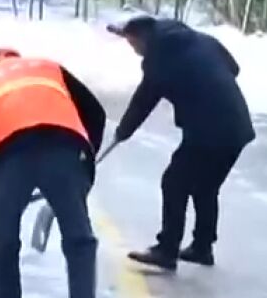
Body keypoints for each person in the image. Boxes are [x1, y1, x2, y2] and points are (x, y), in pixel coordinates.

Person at [0, 47, 108, 298]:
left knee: (3, 243)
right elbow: (95, 112)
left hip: (7, 155)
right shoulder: (49, 68)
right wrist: (86, 161)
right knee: (80, 241)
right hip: (63, 149)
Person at [108, 15, 254, 271]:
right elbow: (234, 68)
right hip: (237, 126)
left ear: (143, 38)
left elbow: (144, 100)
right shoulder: (203, 40)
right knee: (205, 187)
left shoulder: (159, 59)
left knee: (174, 182)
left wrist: (122, 132)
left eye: (132, 45)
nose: (134, 51)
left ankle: (167, 250)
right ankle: (202, 247)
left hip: (209, 129)